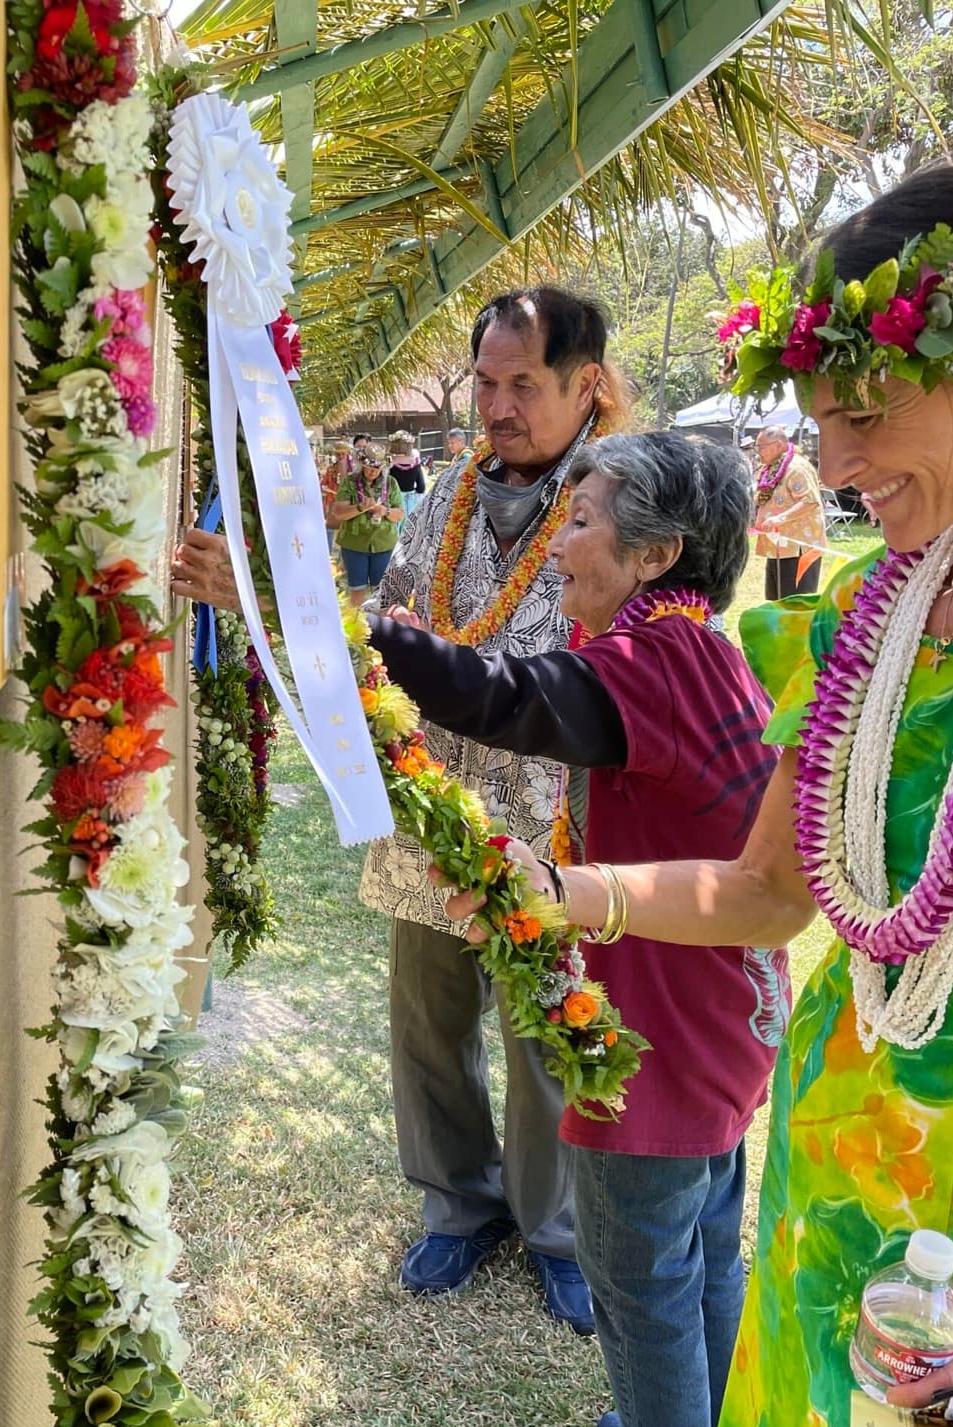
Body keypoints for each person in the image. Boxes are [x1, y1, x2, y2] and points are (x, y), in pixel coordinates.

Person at [449, 165, 953, 1427]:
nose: (837, 465)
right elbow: (765, 892)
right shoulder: (874, 613)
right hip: (810, 1210)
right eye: (817, 418)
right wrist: (555, 892)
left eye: (865, 411)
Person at [173, 286, 635, 1333]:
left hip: (558, 825)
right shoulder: (446, 495)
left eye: (525, 383)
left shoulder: (623, 498)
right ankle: (458, 1203)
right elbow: (390, 630)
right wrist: (259, 597)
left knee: (540, 1029)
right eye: (486, 381)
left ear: (586, 386)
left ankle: (555, 1228)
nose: (499, 404)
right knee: (428, 1022)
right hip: (430, 807)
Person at [374, 431, 787, 1427]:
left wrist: (351, 633)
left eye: (587, 520)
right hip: (723, 1027)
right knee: (701, 1260)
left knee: (641, 1287)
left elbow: (498, 699)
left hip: (659, 1041)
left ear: (656, 555)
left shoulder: (654, 661)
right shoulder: (704, 654)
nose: (562, 544)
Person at [748, 424, 827, 598]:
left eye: (761, 447)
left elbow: (810, 501)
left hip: (799, 548)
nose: (757, 451)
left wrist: (779, 518)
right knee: (777, 599)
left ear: (777, 445)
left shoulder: (796, 468)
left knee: (795, 601)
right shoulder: (771, 467)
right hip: (778, 546)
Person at [331, 440, 406, 604]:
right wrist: (359, 508)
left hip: (384, 544)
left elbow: (400, 514)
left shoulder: (391, 483)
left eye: (377, 469)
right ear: (362, 465)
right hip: (354, 545)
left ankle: (380, 626)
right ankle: (358, 625)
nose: (373, 472)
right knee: (357, 590)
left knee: (382, 592)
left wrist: (385, 511)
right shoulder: (350, 482)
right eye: (369, 468)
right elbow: (338, 513)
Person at [388, 429, 430, 519]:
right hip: (411, 503)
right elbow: (421, 487)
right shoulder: (415, 463)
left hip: (393, 503)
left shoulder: (389, 463)